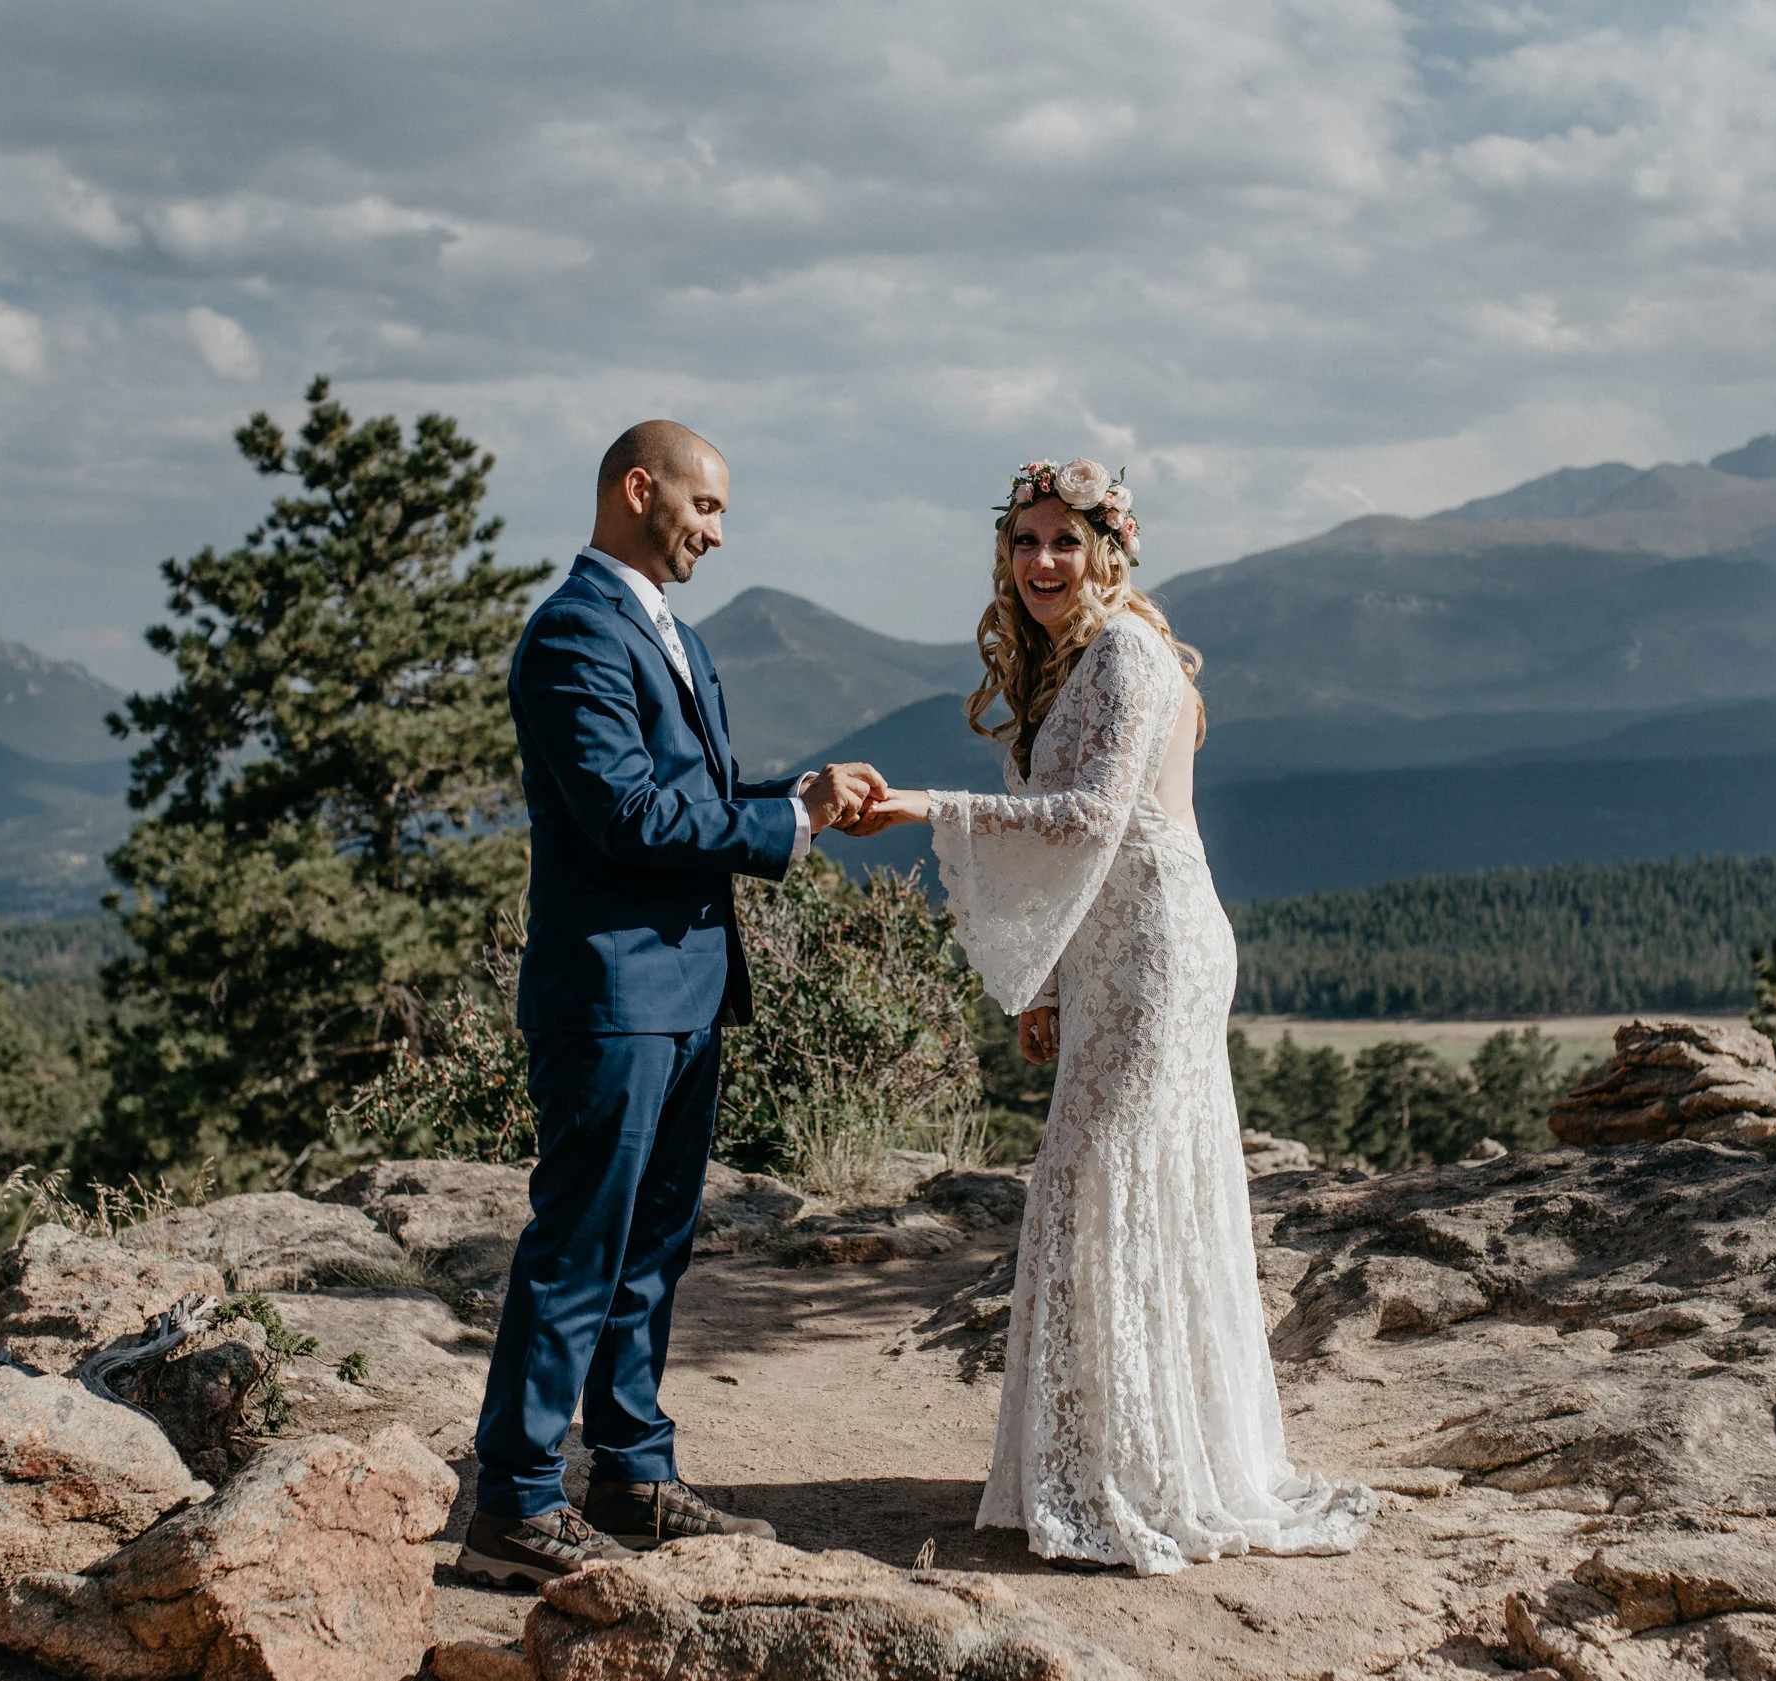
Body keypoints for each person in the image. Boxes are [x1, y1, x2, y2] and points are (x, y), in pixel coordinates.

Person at [847, 458, 1378, 1575]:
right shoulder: (1061, 664)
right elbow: (1068, 831)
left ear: (1108, 551)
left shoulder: (1129, 652)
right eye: (1025, 542)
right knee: (1102, 1185)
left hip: (1158, 948)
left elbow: (1090, 813)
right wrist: (1046, 983)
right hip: (1106, 950)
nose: (1043, 562)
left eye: (1064, 542)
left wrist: (925, 806)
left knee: (1107, 1183)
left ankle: (1139, 1469)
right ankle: (1114, 1456)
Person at [460, 419, 885, 1588]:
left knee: (652, 1247)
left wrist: (791, 793)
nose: (714, 529)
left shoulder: (679, 640)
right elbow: (627, 817)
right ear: (637, 489)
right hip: (610, 994)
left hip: (688, 991)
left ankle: (634, 1473)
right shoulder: (571, 635)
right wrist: (790, 825)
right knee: (578, 1245)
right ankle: (513, 1501)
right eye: (705, 506)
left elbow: (687, 792)